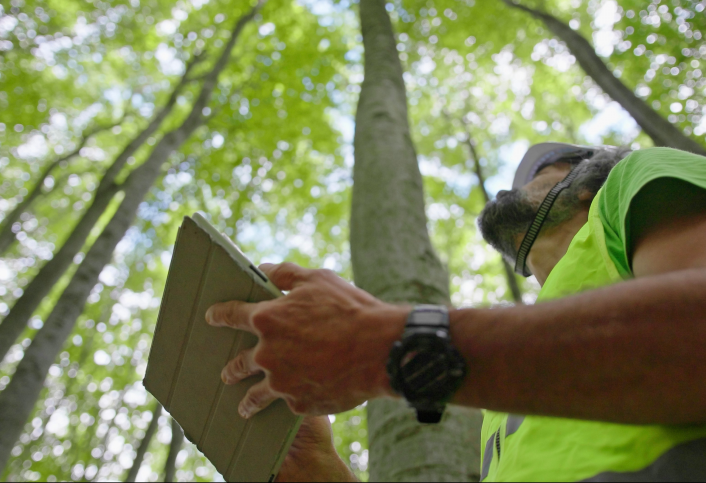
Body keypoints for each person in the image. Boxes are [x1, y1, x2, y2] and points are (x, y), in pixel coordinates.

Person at [206, 144, 706, 481]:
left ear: (588, 176)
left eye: (539, 172)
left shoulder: (632, 182)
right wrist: (324, 472)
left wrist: (380, 345)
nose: (509, 191)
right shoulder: (501, 398)